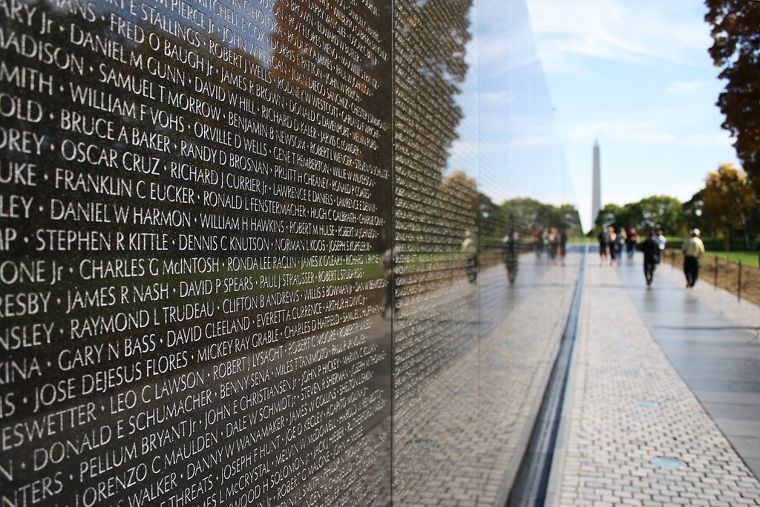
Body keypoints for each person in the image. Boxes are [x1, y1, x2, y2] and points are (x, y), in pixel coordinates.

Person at [381, 247, 396, 318]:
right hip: (392, 277)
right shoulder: (395, 253)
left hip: (389, 276)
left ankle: (385, 308)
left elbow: (381, 264)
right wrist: (389, 271)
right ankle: (395, 311)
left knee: (389, 294)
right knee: (392, 294)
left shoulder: (387, 252)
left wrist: (386, 270)